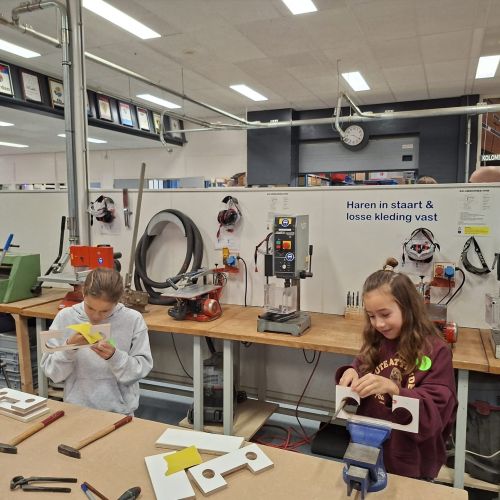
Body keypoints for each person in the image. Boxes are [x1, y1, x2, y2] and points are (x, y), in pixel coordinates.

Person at [336, 257, 457, 480]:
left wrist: (394, 390)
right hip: (370, 446)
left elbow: (438, 410)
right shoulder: (377, 340)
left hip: (411, 456)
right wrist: (351, 372)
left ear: (408, 308)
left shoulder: (436, 351)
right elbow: (361, 366)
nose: (378, 324)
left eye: (385, 315)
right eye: (371, 316)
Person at [41, 267, 153, 415]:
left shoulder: (133, 319)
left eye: (105, 311)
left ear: (117, 301)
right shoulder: (65, 317)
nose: (95, 316)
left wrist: (115, 357)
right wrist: (69, 348)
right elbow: (52, 372)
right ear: (83, 293)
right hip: (76, 409)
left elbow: (141, 369)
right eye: (90, 307)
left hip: (119, 412)